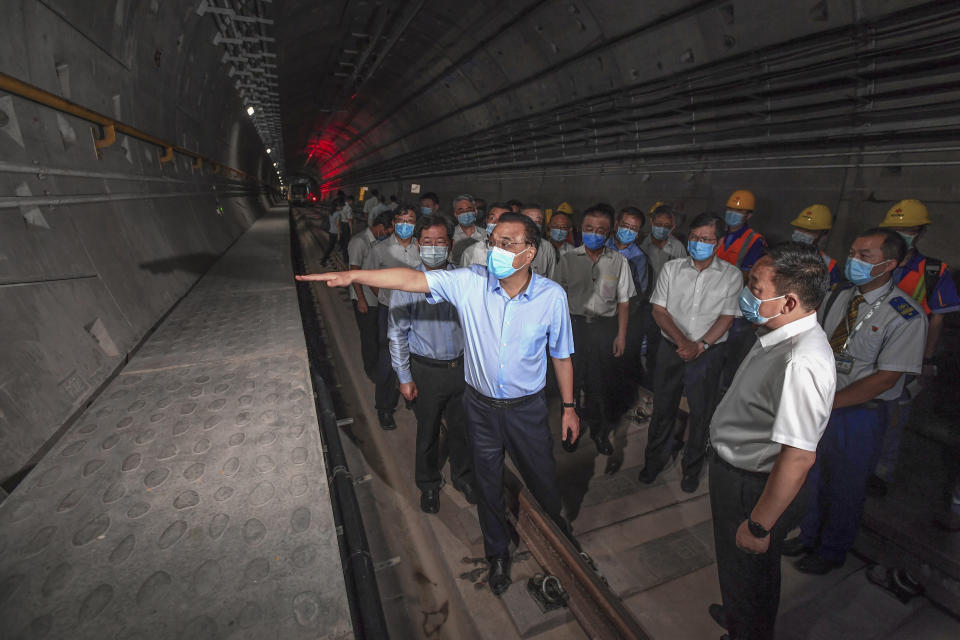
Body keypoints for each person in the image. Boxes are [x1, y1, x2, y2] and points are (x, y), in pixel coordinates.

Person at [297, 212, 580, 597]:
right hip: (479, 407)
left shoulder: (551, 297)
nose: (495, 249)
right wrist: (354, 276)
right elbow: (410, 279)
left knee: (543, 477)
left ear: (529, 253)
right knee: (487, 483)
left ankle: (560, 540)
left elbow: (561, 355)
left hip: (526, 409)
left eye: (506, 243)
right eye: (492, 241)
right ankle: (497, 553)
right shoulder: (470, 282)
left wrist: (568, 407)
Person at [707, 243, 836, 640]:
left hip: (754, 486)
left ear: (789, 301)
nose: (746, 296)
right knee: (737, 567)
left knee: (752, 569)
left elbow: (798, 458)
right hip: (737, 473)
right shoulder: (776, 333)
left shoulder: (801, 360)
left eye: (755, 289)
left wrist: (760, 525)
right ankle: (738, 614)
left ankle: (748, 631)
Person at [783, 228, 927, 574]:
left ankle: (832, 549)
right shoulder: (838, 297)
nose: (854, 261)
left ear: (889, 264)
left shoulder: (905, 315)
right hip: (822, 402)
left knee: (846, 484)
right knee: (812, 473)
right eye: (852, 253)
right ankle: (809, 533)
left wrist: (831, 402)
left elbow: (886, 378)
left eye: (865, 256)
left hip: (860, 414)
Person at [639, 212, 741, 493]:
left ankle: (691, 469)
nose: (699, 243)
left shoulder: (731, 276)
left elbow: (726, 317)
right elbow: (659, 310)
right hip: (671, 349)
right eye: (694, 238)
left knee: (701, 414)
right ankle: (653, 461)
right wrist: (683, 341)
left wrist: (701, 345)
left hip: (708, 354)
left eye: (706, 239)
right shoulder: (672, 269)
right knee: (663, 408)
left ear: (718, 242)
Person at [870, 199, 960, 495]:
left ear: (919, 232)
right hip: (868, 352)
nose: (901, 235)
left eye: (907, 230)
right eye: (896, 230)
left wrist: (927, 359)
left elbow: (936, 320)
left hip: (905, 358)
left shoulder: (933, 270)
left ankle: (881, 472)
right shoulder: (875, 263)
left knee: (894, 417)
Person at [388, 215, 475, 513]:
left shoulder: (464, 280)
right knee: (428, 432)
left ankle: (463, 477)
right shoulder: (406, 283)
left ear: (450, 245)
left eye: (440, 242)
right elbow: (397, 334)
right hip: (426, 371)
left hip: (461, 368)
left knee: (463, 429)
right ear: (418, 245)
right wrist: (404, 376)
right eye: (427, 242)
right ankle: (428, 484)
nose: (434, 248)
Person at [556, 205, 635, 455]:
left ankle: (600, 433)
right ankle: (569, 432)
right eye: (589, 228)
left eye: (601, 230)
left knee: (599, 387)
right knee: (571, 383)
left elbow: (624, 301)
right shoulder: (568, 260)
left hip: (604, 329)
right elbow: (556, 298)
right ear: (581, 230)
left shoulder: (618, 261)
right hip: (574, 328)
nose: (594, 234)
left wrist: (621, 335)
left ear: (610, 232)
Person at [362, 205, 421, 429]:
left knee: (415, 356)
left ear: (416, 223)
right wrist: (387, 299)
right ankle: (384, 407)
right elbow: (369, 278)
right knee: (387, 361)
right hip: (390, 311)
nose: (405, 225)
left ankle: (412, 397)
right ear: (394, 223)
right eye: (400, 220)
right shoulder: (380, 249)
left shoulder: (422, 247)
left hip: (418, 311)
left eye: (410, 220)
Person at [717, 189, 768, 387]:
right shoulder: (719, 233)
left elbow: (750, 274)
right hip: (712, 299)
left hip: (735, 305)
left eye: (738, 211)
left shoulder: (754, 240)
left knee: (731, 353)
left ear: (749, 215)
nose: (732, 214)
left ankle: (724, 391)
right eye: (730, 209)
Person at [639, 203, 687, 385]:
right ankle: (645, 379)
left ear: (672, 227)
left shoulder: (677, 248)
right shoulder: (642, 244)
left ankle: (658, 380)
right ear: (651, 222)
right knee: (642, 343)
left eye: (667, 226)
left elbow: (683, 278)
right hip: (644, 302)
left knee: (661, 344)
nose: (662, 229)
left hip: (666, 306)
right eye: (659, 224)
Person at [349, 211, 393, 382]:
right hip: (365, 297)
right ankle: (371, 370)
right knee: (369, 337)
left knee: (377, 335)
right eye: (388, 231)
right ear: (381, 226)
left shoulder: (379, 243)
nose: (388, 234)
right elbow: (354, 271)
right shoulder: (359, 242)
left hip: (377, 297)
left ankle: (378, 367)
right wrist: (361, 298)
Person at [608, 206, 651, 383]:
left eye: (633, 229)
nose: (628, 231)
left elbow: (637, 298)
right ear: (617, 224)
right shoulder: (602, 246)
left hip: (620, 319)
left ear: (639, 232)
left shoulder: (639, 258)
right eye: (625, 225)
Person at [789, 204, 841, 289]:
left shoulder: (829, 267)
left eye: (809, 230)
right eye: (800, 228)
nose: (802, 233)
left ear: (824, 234)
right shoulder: (778, 255)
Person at [461, 203, 511, 267]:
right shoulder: (472, 251)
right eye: (492, 218)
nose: (496, 223)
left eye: (503, 219)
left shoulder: (519, 251)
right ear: (486, 221)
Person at [520, 203, 557, 279]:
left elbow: (553, 279)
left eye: (537, 221)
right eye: (528, 220)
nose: (533, 224)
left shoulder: (547, 248)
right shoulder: (508, 245)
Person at [451, 194, 486, 265]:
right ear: (455, 214)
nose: (466, 213)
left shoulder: (485, 234)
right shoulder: (450, 235)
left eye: (469, 209)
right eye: (461, 210)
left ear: (475, 211)